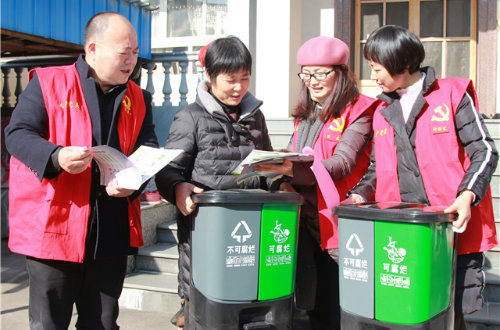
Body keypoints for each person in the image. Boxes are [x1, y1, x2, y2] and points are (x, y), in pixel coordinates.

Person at [4, 11, 159, 330]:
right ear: (92, 49)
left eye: (134, 52)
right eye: (123, 52)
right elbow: (17, 134)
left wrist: (135, 180)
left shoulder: (138, 98)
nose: (131, 60)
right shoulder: (49, 83)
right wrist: (56, 156)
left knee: (102, 323)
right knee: (49, 323)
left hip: (111, 229)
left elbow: (149, 150)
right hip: (57, 228)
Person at [345, 25, 498, 330]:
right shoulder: (382, 111)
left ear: (402, 63)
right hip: (404, 236)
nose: (373, 76)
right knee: (407, 314)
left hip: (450, 229)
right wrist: (360, 193)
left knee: (454, 314)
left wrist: (466, 196)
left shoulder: (452, 96)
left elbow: (485, 152)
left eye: (377, 68)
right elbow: (377, 168)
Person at [254, 36, 378, 330]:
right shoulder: (306, 114)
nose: (313, 81)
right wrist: (273, 161)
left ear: (342, 72)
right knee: (312, 307)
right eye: (307, 73)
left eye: (322, 73)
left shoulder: (359, 110)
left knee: (342, 307)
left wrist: (288, 168)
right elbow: (293, 151)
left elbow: (342, 162)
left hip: (341, 225)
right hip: (307, 223)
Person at [155, 36, 278, 329]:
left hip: (252, 233)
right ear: (209, 77)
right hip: (206, 234)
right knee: (208, 310)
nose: (239, 87)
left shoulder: (255, 117)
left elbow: (268, 166)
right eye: (230, 79)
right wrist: (176, 187)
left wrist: (280, 176)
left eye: (245, 78)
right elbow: (167, 170)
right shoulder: (190, 118)